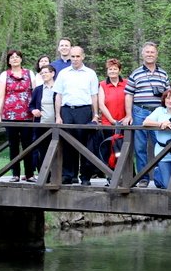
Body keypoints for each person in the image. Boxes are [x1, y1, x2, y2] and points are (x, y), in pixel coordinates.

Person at [123, 42, 170, 187]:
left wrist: (167, 114)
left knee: (160, 144)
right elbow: (128, 95)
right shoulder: (136, 73)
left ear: (156, 54)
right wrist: (129, 115)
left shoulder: (163, 74)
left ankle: (160, 177)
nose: (150, 54)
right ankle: (142, 177)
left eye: (152, 52)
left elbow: (169, 96)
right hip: (140, 111)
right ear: (142, 54)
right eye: (147, 52)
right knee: (140, 146)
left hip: (158, 112)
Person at [54, 46, 100, 186]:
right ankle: (68, 175)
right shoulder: (63, 73)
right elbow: (58, 95)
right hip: (67, 110)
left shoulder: (90, 73)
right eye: (72, 56)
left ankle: (85, 176)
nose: (75, 59)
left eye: (77, 56)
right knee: (67, 144)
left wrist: (95, 115)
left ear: (83, 57)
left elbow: (94, 95)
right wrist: (58, 116)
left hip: (84, 110)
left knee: (85, 145)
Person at [0, 50, 37, 182]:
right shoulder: (4, 75)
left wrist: (36, 109)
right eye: (12, 57)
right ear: (8, 61)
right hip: (9, 115)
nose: (15, 59)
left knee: (28, 145)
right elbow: (0, 95)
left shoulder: (29, 74)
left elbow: (35, 93)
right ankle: (15, 174)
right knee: (13, 145)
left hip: (27, 115)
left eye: (17, 57)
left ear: (21, 59)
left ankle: (29, 174)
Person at [143, 89, 171, 189]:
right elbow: (145, 122)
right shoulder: (159, 110)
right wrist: (161, 124)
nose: (170, 101)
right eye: (168, 98)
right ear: (164, 100)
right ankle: (158, 175)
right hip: (162, 151)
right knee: (168, 186)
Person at [29, 63, 57, 171]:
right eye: (42, 73)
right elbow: (31, 105)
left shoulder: (59, 88)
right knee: (42, 150)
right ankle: (44, 174)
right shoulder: (38, 90)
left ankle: (58, 174)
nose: (43, 74)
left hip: (57, 125)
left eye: (46, 72)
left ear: (52, 73)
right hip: (41, 125)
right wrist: (33, 110)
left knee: (58, 150)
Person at [99, 58, 127, 126]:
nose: (112, 71)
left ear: (119, 71)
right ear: (107, 71)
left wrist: (127, 117)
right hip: (107, 122)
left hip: (124, 122)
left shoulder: (126, 83)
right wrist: (112, 120)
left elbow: (131, 102)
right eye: (110, 69)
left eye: (115, 69)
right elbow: (101, 104)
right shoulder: (102, 85)